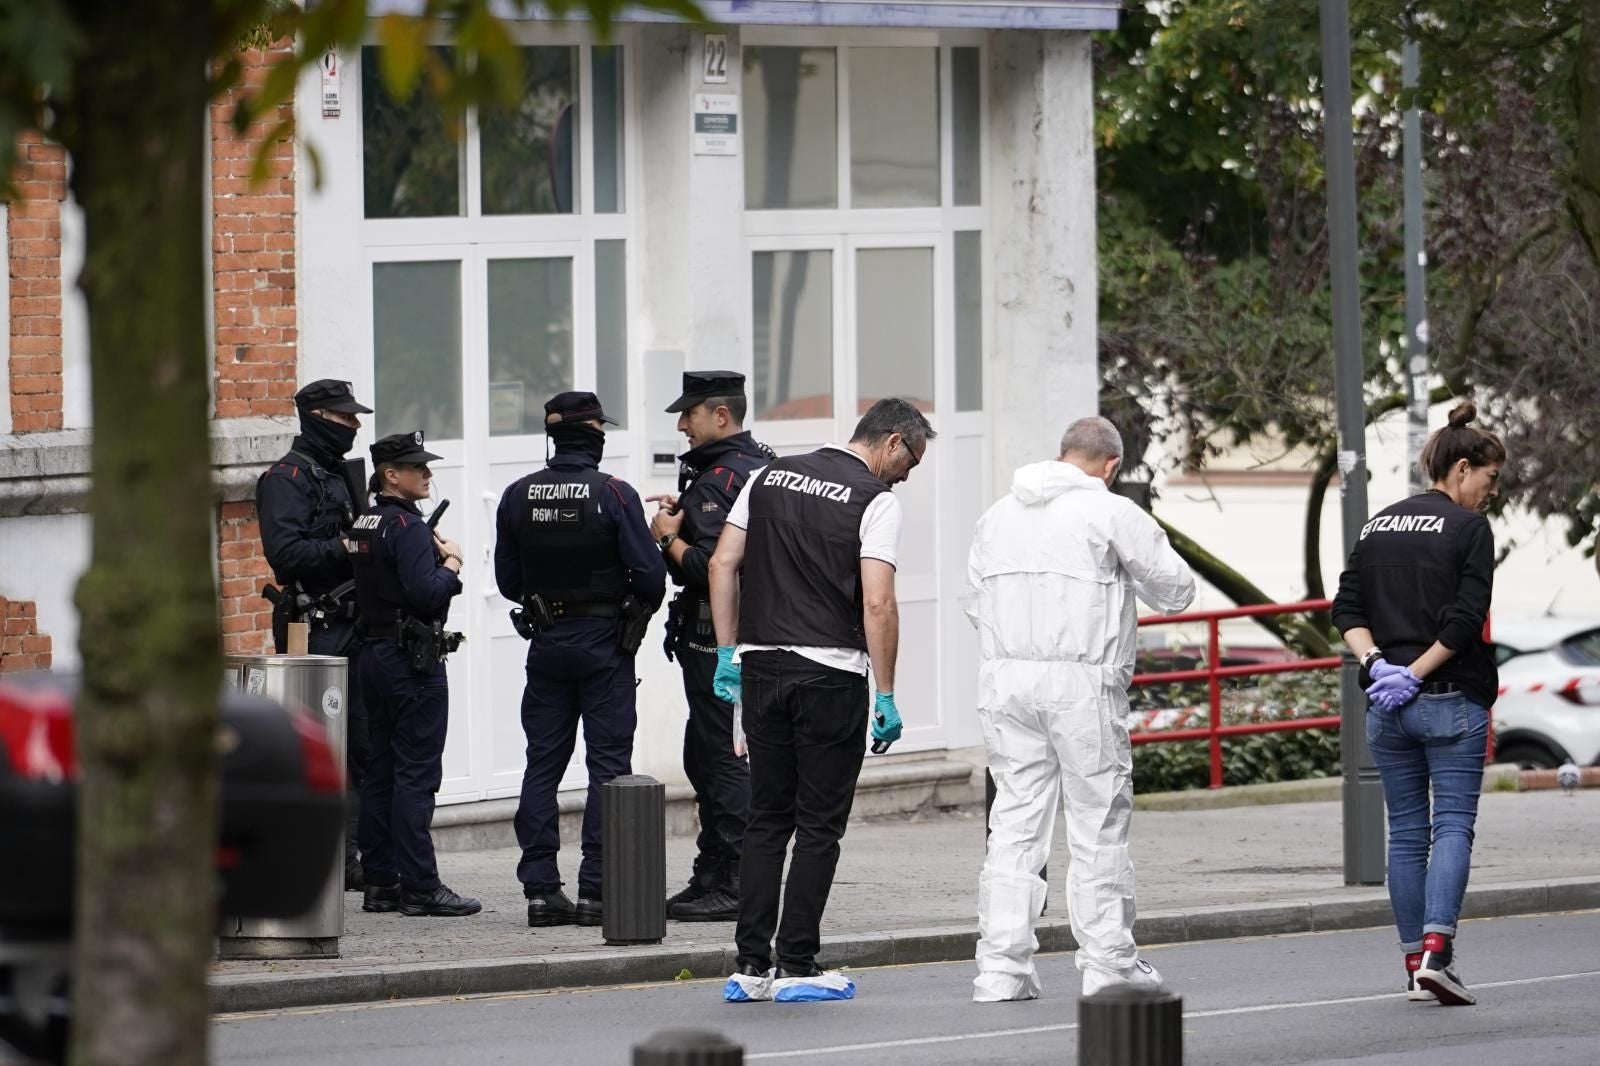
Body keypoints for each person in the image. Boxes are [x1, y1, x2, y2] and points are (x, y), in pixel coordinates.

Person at [709, 397, 935, 1002]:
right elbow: (879, 602)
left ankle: (750, 968)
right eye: (911, 460)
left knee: (766, 819)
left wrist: (728, 652)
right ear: (890, 442)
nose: (909, 474)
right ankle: (799, 967)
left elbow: (723, 563)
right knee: (818, 826)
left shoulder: (764, 476)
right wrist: (886, 692)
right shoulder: (875, 501)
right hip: (830, 673)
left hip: (760, 668)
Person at [965, 416, 1195, 1003]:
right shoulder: (1111, 512)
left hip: (1006, 678)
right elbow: (1176, 590)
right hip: (1081, 681)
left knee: (1014, 822)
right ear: (1112, 466)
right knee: (1097, 823)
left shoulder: (997, 515)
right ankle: (1108, 963)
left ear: (1062, 452)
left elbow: (975, 601)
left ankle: (1001, 969)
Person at [1332, 401, 1504, 1007]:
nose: (1489, 493)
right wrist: (1416, 670)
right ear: (1461, 468)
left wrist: (1379, 666)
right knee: (1453, 825)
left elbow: (1345, 609)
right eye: (1489, 479)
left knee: (1405, 834)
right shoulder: (1469, 530)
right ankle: (1438, 952)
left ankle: (1413, 965)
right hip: (1451, 698)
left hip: (1387, 708)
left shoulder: (1378, 523)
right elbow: (1465, 621)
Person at [494, 391, 666, 928]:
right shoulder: (614, 494)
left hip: (547, 643)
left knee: (541, 765)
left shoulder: (517, 495)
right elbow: (651, 576)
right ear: (594, 432)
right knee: (607, 768)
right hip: (603, 646)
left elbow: (508, 581)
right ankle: (596, 890)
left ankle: (541, 892)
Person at [649, 371, 775, 922]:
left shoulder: (722, 478)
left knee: (722, 760)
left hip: (718, 642)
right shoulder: (763, 464)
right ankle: (713, 872)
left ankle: (735, 880)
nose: (681, 425)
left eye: (690, 414)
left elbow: (710, 569)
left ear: (720, 415)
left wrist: (666, 536)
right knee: (709, 756)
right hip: (747, 638)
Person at [350, 430, 481, 918]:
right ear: (390, 474)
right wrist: (451, 563)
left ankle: (381, 882)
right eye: (418, 467)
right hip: (411, 662)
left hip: (375, 656)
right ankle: (422, 887)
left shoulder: (363, 521)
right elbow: (426, 594)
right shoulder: (405, 526)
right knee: (416, 775)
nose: (428, 474)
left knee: (380, 771)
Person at [256, 378, 372, 891]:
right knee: (326, 749)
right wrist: (349, 545)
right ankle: (327, 861)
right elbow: (286, 556)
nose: (355, 425)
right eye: (346, 418)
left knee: (363, 746)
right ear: (318, 417)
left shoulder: (340, 475)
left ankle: (356, 859)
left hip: (357, 624)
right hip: (317, 628)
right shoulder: (287, 478)